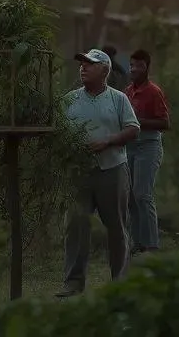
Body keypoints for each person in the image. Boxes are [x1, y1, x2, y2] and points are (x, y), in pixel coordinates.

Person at [56, 48, 140, 298]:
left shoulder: (118, 99)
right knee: (75, 224)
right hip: (79, 171)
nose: (83, 68)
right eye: (81, 64)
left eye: (90, 64)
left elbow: (133, 129)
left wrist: (108, 141)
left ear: (105, 70)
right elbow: (58, 133)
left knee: (116, 226)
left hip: (112, 169)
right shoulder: (69, 99)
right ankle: (73, 281)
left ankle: (119, 281)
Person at [124, 49, 170, 254]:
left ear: (147, 67)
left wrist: (137, 123)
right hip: (130, 146)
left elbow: (164, 123)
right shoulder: (127, 92)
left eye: (139, 65)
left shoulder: (154, 91)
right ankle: (137, 242)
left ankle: (152, 244)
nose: (134, 69)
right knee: (130, 197)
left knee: (143, 194)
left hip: (149, 146)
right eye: (132, 65)